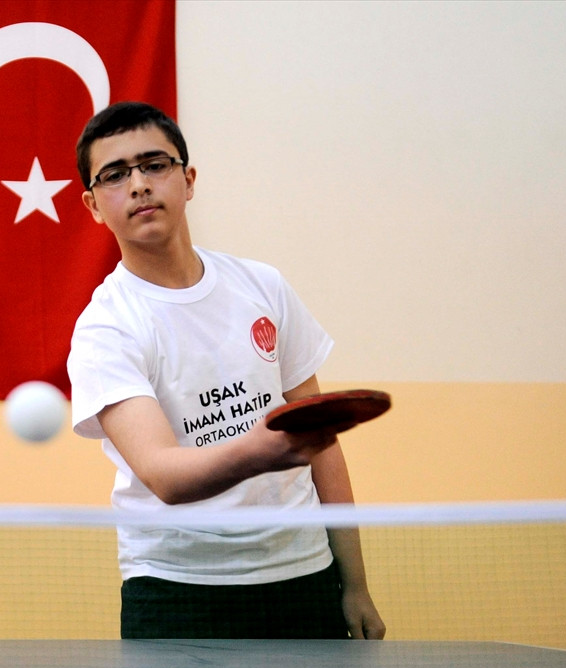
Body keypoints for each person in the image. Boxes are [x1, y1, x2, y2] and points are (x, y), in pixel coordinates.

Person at [67, 101, 386, 640]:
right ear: (93, 205)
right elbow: (164, 474)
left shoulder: (263, 287)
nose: (139, 185)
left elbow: (322, 445)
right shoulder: (106, 327)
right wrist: (260, 449)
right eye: (115, 175)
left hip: (303, 572)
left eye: (155, 165)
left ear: (188, 180)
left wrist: (355, 583)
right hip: (176, 587)